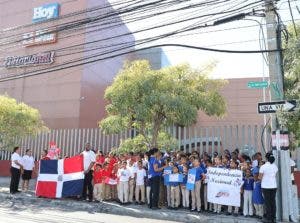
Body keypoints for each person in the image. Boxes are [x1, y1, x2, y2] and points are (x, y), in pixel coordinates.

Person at [259, 153, 278, 223]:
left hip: (266, 186)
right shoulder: (275, 166)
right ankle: (274, 218)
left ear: (266, 158)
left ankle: (268, 218)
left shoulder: (263, 167)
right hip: (273, 186)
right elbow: (274, 175)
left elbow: (260, 177)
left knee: (267, 203)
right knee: (273, 202)